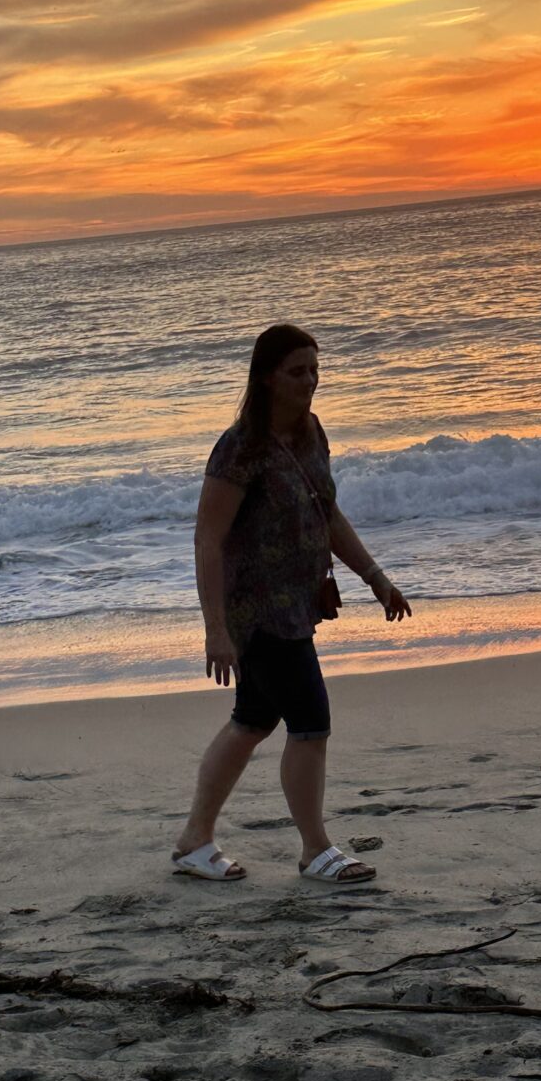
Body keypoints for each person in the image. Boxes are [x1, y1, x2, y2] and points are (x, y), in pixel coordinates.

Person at [171, 323, 411, 884]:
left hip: (297, 604)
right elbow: (208, 539)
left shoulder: (310, 434)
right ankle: (315, 850)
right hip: (257, 614)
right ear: (266, 377)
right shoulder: (240, 448)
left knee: (253, 720)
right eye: (297, 371)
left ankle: (193, 842)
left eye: (314, 370)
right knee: (310, 721)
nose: (311, 381)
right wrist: (216, 629)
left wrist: (375, 576)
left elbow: (326, 514)